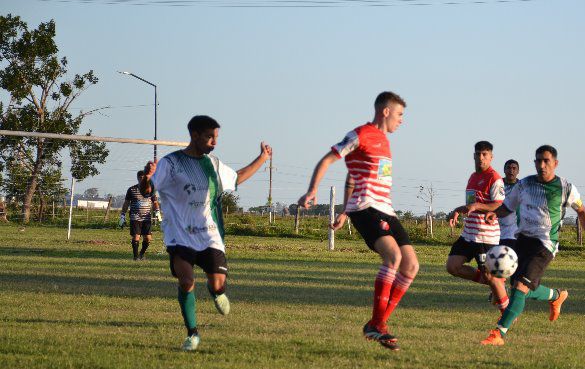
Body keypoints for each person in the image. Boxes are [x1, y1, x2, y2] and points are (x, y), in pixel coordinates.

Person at [142, 115, 272, 351]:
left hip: (209, 234)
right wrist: (146, 178)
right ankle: (192, 333)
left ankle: (216, 291)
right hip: (179, 236)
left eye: (216, 137)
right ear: (194, 135)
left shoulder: (213, 164)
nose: (214, 142)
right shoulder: (170, 164)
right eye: (210, 137)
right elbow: (148, 189)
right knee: (187, 281)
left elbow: (237, 178)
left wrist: (262, 158)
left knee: (217, 282)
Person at [299, 92, 417, 351]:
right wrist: (312, 190)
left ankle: (377, 323)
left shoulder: (384, 141)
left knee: (411, 266)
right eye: (399, 115)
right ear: (385, 112)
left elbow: (352, 177)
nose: (401, 121)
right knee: (393, 258)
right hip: (365, 208)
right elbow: (327, 159)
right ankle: (377, 325)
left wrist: (342, 210)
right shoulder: (360, 135)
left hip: (385, 208)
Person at [468, 145, 585, 346]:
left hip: (545, 244)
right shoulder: (525, 185)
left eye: (546, 161)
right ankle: (555, 296)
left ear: (555, 163)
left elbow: (582, 212)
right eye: (538, 160)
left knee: (521, 287)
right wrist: (495, 213)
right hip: (521, 240)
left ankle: (498, 334)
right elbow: (506, 207)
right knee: (520, 287)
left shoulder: (566, 188)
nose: (541, 164)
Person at [446, 141, 508, 313]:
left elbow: (498, 204)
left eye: (485, 154)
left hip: (485, 236)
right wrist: (458, 211)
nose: (481, 157)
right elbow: (470, 205)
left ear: (491, 157)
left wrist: (477, 207)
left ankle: (507, 313)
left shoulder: (494, 178)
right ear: (474, 155)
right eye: (478, 154)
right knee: (452, 266)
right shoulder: (473, 177)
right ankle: (490, 282)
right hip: (468, 235)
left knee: (492, 277)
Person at [119, 170, 161, 261]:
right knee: (136, 236)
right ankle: (135, 257)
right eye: (141, 178)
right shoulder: (132, 190)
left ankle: (141, 254)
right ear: (138, 178)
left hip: (146, 217)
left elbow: (155, 202)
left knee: (148, 238)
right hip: (135, 216)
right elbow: (126, 203)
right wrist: (122, 215)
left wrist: (157, 211)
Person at [498, 159, 520, 249]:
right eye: (508, 168)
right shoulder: (497, 184)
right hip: (495, 230)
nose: (511, 171)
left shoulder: (522, 186)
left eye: (514, 168)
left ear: (518, 171)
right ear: (504, 170)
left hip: (513, 233)